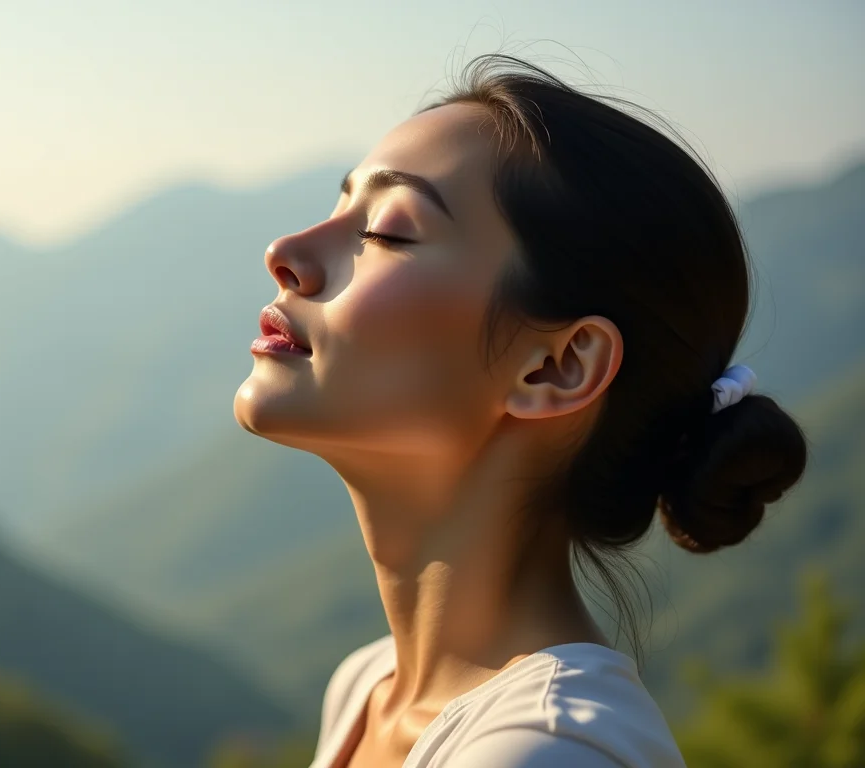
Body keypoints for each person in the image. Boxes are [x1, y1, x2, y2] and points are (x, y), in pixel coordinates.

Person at [233, 54, 809, 768]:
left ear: (557, 367)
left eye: (385, 232)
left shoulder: (551, 750)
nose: (284, 252)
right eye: (338, 207)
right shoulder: (367, 688)